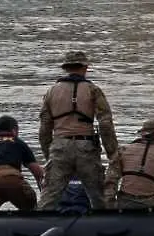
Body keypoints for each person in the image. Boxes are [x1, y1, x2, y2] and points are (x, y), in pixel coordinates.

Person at [37, 51, 118, 211]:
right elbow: (105, 124)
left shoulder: (51, 92)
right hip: (86, 147)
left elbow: (45, 128)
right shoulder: (93, 90)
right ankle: (106, 227)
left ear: (66, 68)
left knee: (50, 197)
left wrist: (48, 153)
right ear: (85, 67)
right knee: (98, 196)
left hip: (59, 146)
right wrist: (113, 154)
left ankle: (38, 227)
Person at [0, 115, 45, 211]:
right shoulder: (17, 142)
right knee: (30, 206)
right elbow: (37, 172)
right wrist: (44, 196)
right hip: (11, 178)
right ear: (14, 130)